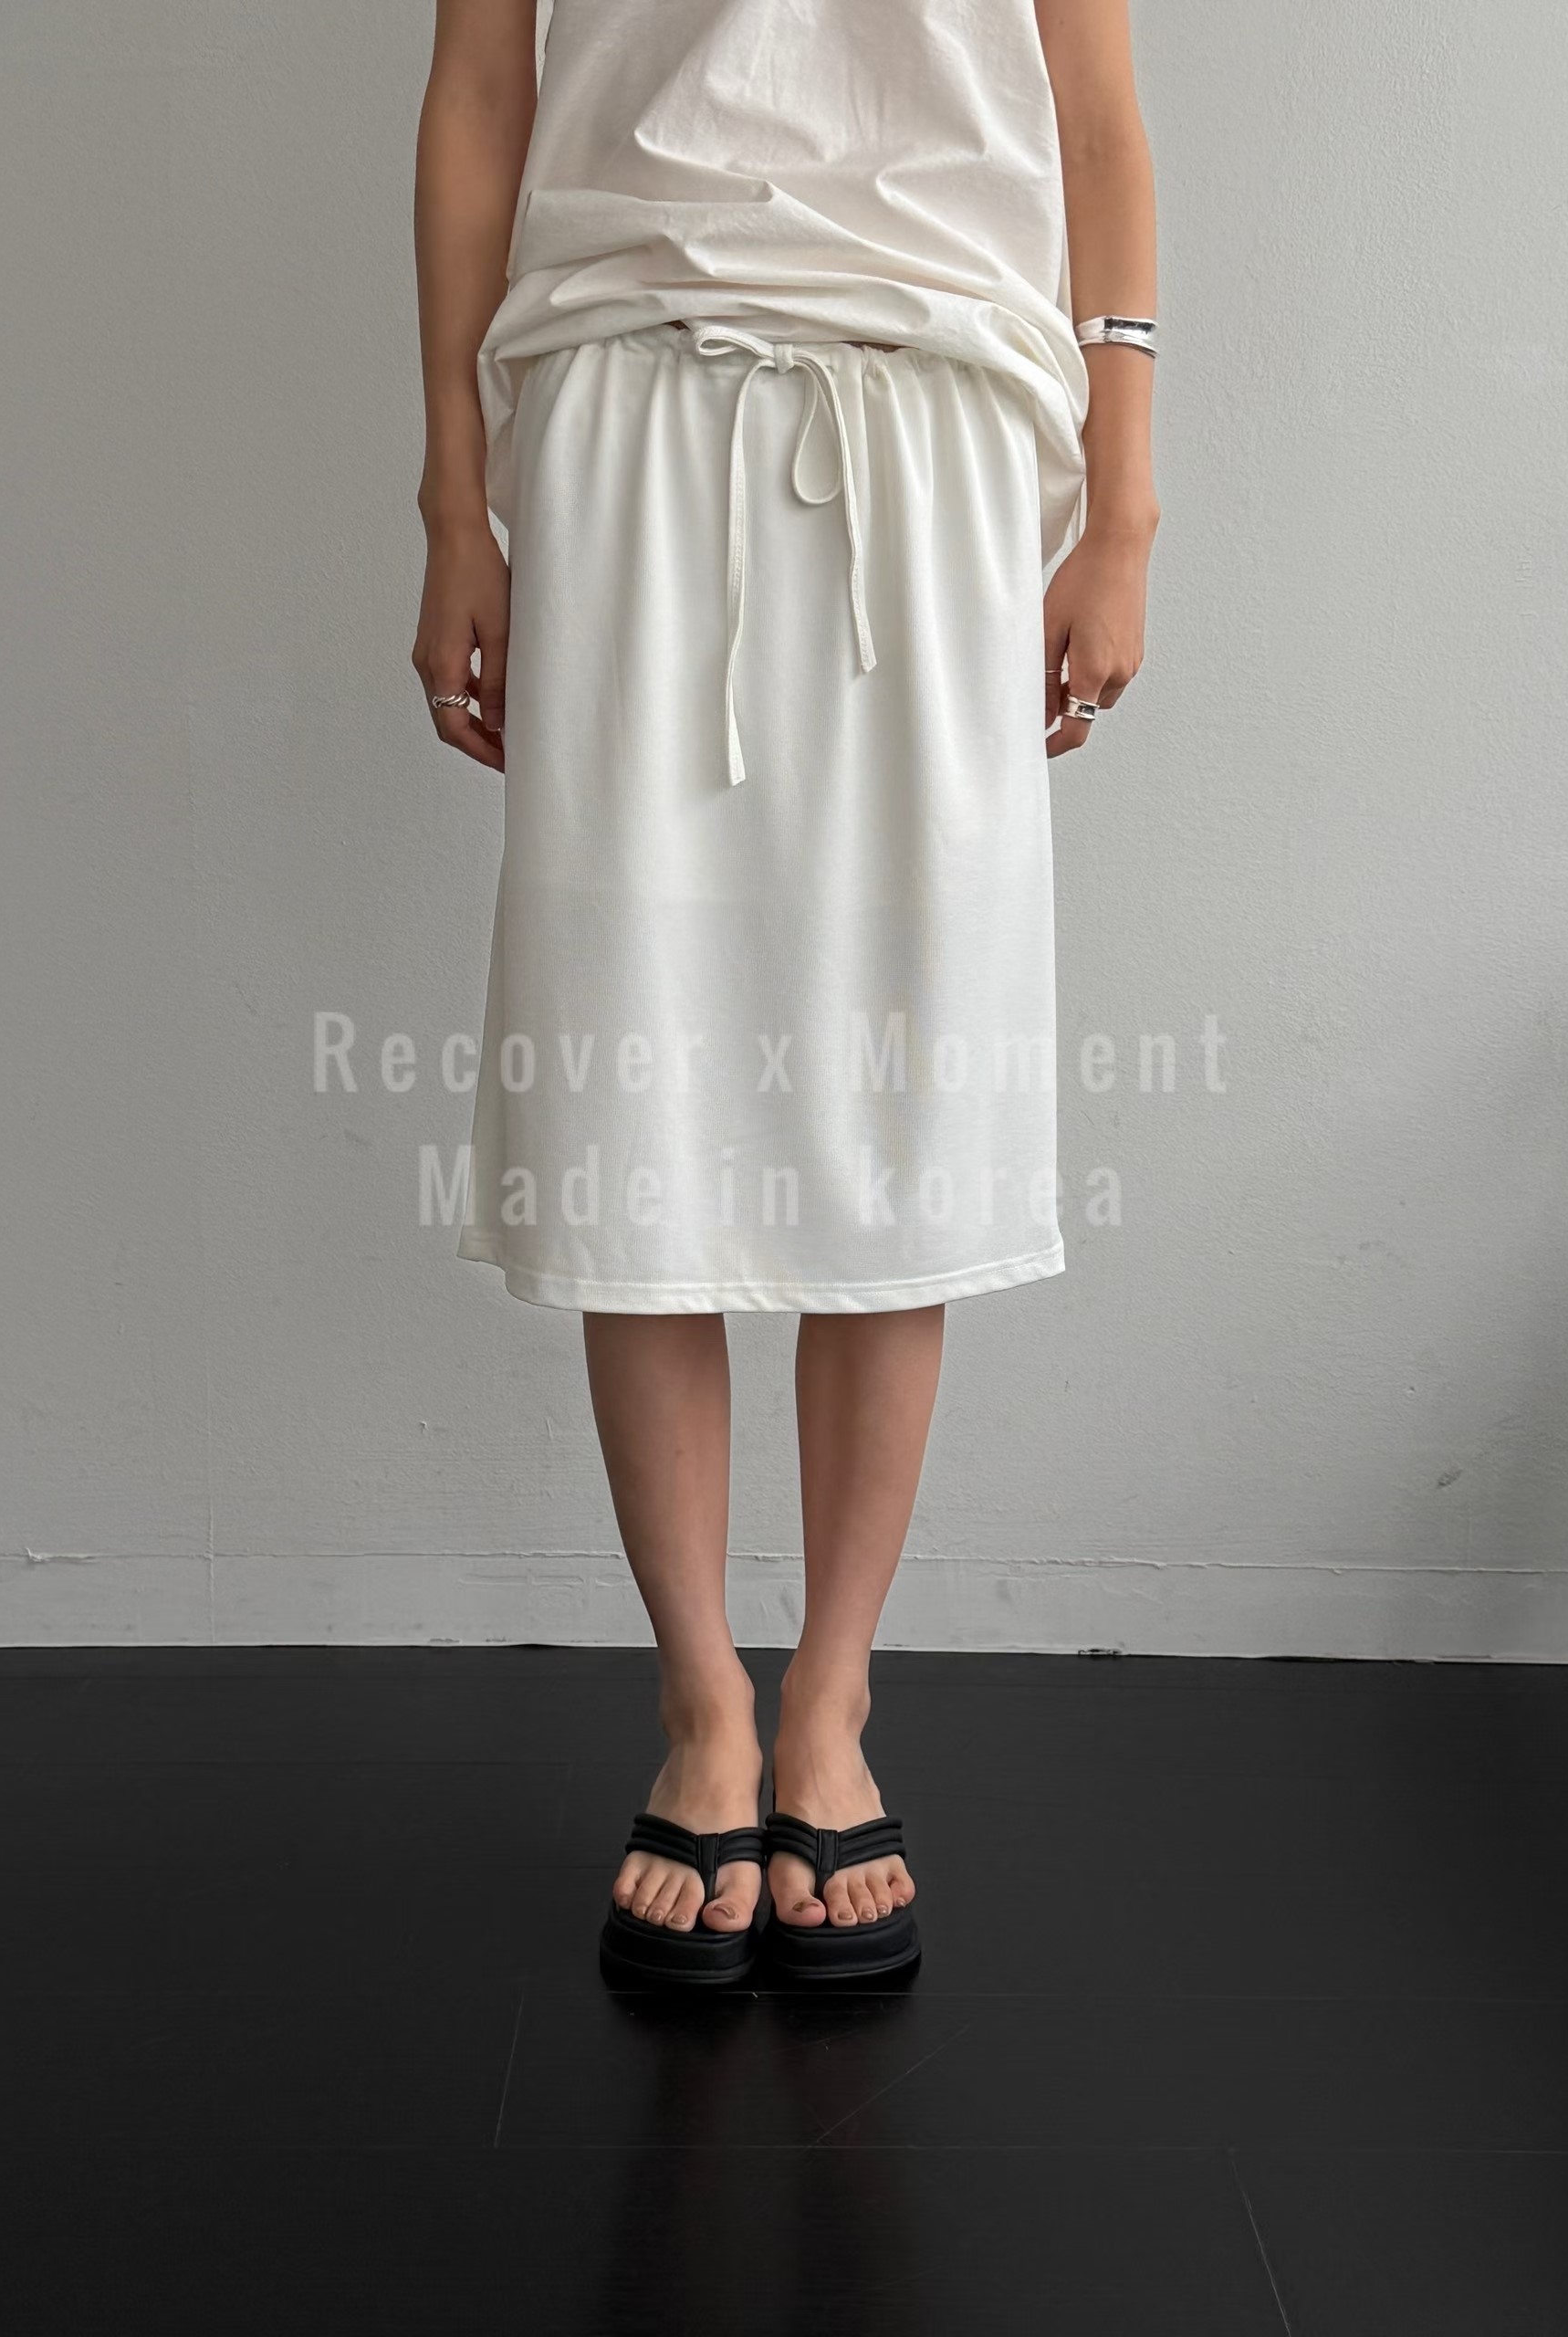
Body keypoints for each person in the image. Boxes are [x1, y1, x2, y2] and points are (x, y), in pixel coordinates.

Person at [412, 0, 1158, 1982]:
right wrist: (454, 497)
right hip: (624, 405)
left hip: (942, 423)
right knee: (635, 1086)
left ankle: (830, 1695)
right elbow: (479, 83)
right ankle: (700, 1703)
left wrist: (1126, 500)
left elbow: (1095, 111)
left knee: (896, 1089)